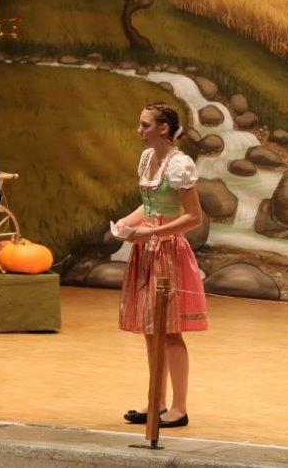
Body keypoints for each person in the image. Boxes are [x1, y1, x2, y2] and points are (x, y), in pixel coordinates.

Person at [113, 102, 207, 429]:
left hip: (168, 251)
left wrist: (152, 232)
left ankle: (179, 408)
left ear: (163, 128)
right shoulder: (147, 159)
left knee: (169, 332)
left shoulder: (179, 165)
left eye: (145, 125)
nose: (139, 131)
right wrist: (126, 224)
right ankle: (156, 401)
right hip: (146, 250)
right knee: (150, 331)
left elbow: (193, 217)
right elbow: (149, 205)